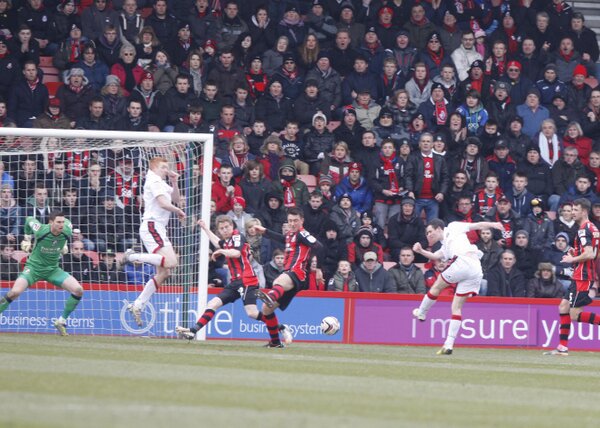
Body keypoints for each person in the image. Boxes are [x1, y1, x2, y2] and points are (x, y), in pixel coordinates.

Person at [176, 217, 292, 347]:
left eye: (227, 227)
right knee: (212, 304)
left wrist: (221, 251)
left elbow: (236, 253)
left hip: (247, 280)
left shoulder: (237, 236)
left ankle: (280, 327)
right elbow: (217, 242)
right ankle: (193, 331)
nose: (225, 230)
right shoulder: (226, 241)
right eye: (222, 228)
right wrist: (205, 228)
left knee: (252, 313)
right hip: (235, 282)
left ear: (232, 226)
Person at [412, 218, 505, 354]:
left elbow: (477, 225)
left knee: (437, 286)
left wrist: (493, 225)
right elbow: (435, 256)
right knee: (456, 307)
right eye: (427, 233)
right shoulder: (445, 246)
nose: (428, 235)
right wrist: (420, 251)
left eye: (430, 231)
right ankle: (449, 345)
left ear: (439, 229)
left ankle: (422, 311)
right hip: (475, 269)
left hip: (464, 262)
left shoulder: (454, 226)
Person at [123, 157, 186, 327]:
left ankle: (138, 304)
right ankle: (132, 256)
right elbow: (164, 203)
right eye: (164, 167)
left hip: (157, 228)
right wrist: (178, 210)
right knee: (172, 262)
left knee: (164, 272)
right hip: (153, 225)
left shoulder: (160, 181)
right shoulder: (154, 180)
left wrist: (174, 181)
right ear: (155, 167)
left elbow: (175, 198)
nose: (167, 169)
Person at [0, 212, 84, 336]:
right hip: (33, 268)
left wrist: (65, 244)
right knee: (14, 292)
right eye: (58, 222)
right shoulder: (40, 230)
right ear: (51, 223)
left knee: (78, 290)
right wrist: (27, 238)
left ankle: (61, 321)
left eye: (63, 222)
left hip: (52, 270)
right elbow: (28, 219)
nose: (61, 225)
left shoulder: (67, 229)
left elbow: (68, 228)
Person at [544, 198, 600, 356]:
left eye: (575, 210)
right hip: (580, 275)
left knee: (574, 314)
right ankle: (562, 347)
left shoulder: (584, 230)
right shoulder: (592, 228)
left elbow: (590, 254)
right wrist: (575, 253)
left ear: (584, 211)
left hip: (583, 276)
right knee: (563, 306)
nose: (572, 213)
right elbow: (594, 252)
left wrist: (572, 259)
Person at [253, 207, 322, 315]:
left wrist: (318, 269)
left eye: (295, 221)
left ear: (302, 221)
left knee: (277, 282)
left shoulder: (302, 234)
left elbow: (318, 246)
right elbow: (282, 239)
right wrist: (265, 231)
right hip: (289, 275)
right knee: (266, 310)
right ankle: (281, 329)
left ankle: (270, 297)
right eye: (290, 221)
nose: (292, 224)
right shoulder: (291, 234)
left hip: (298, 273)